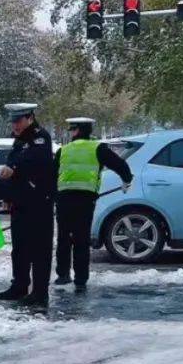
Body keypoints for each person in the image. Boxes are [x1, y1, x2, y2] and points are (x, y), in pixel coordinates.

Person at [54, 117, 133, 291]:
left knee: (64, 238)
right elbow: (120, 165)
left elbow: (53, 174)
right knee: (81, 239)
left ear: (76, 131)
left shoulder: (63, 150)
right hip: (85, 199)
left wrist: (53, 196)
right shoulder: (98, 148)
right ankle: (81, 278)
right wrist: (127, 180)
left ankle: (62, 275)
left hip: (64, 199)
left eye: (71, 130)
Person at [0, 103, 56, 310]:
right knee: (20, 248)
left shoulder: (41, 137)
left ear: (30, 118)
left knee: (40, 249)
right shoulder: (19, 141)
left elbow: (35, 161)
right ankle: (19, 286)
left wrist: (14, 166)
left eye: (18, 121)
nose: (15, 125)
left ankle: (40, 292)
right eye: (13, 122)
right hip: (20, 203)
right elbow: (12, 172)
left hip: (39, 202)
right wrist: (7, 196)